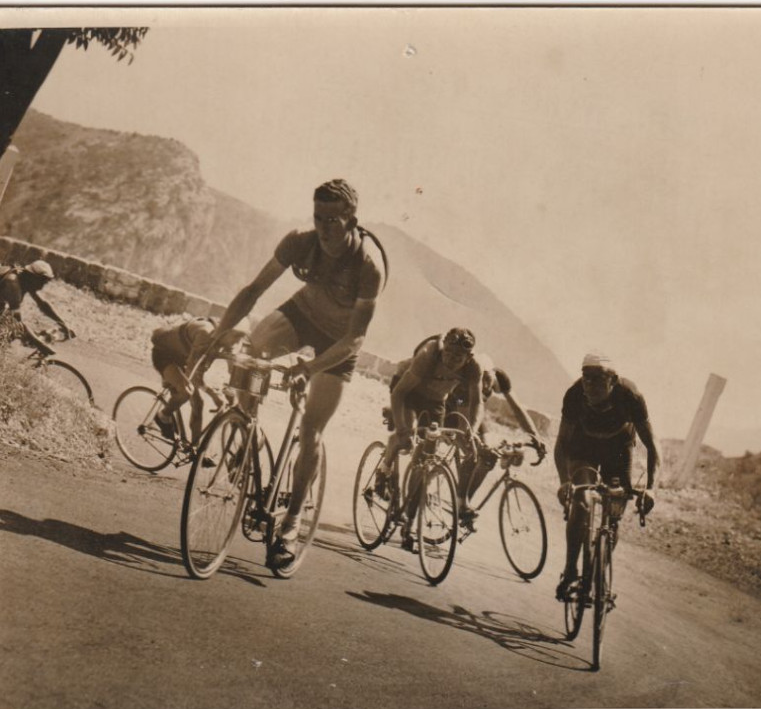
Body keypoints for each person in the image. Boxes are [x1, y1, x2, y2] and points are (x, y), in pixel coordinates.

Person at [205, 179, 386, 568]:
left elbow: (355, 340)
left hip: (338, 345)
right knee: (252, 351)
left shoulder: (368, 266)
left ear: (352, 220)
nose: (323, 229)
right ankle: (245, 432)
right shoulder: (299, 241)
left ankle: (290, 522)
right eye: (318, 218)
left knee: (310, 432)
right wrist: (218, 334)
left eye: (332, 221)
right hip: (301, 315)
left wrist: (309, 367)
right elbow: (254, 289)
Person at [554, 353, 659, 602]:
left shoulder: (630, 396)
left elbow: (653, 446)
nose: (589, 385)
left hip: (618, 448)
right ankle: (570, 571)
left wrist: (652, 488)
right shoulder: (574, 394)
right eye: (585, 377)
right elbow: (561, 444)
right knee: (581, 498)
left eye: (597, 379)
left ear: (612, 381)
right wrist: (564, 482)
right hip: (584, 447)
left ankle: (595, 574)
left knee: (614, 514)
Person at [377, 327, 483, 548]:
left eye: (459, 358)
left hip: (436, 400)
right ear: (443, 349)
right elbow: (399, 393)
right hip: (407, 391)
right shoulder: (427, 354)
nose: (452, 361)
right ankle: (384, 468)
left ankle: (409, 524)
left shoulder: (474, 368)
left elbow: (477, 402)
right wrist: (404, 429)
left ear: (468, 357)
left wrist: (471, 430)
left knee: (425, 460)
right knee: (406, 438)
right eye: (449, 354)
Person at [445, 360, 547, 525]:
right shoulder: (467, 378)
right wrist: (472, 441)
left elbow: (518, 409)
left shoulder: (499, 377)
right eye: (482, 380)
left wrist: (535, 437)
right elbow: (464, 423)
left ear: (493, 374)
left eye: (488, 381)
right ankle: (461, 503)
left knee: (489, 457)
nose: (485, 386)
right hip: (453, 412)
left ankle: (464, 505)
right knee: (475, 452)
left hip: (475, 413)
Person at [150, 316, 244, 448]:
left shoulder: (230, 341)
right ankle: (163, 416)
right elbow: (193, 375)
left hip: (184, 359)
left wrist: (233, 394)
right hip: (164, 355)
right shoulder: (204, 335)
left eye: (242, 337)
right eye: (236, 336)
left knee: (198, 404)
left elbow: (232, 370)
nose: (238, 341)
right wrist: (214, 395)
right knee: (186, 391)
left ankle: (195, 449)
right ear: (226, 331)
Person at [0, 260, 74, 353]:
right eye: (41, 282)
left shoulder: (25, 279)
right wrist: (40, 345)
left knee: (8, 332)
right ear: (32, 277)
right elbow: (18, 321)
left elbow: (43, 304)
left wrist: (62, 323)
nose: (42, 287)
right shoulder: (13, 284)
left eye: (45, 283)